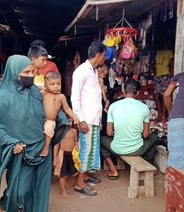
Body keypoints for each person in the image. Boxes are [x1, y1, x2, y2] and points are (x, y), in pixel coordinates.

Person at [0, 55, 70, 212]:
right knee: (20, 189)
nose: (30, 76)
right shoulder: (3, 96)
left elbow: (49, 110)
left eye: (32, 72)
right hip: (21, 150)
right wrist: (11, 143)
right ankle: (8, 204)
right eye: (25, 72)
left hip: (42, 147)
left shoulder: (35, 92)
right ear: (13, 72)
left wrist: (61, 118)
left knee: (38, 186)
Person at [101, 79, 159, 179]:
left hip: (117, 148)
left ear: (124, 91)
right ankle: (147, 164)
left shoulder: (113, 106)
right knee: (154, 137)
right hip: (138, 149)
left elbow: (109, 133)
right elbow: (145, 135)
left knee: (100, 139)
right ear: (138, 92)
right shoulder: (144, 107)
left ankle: (112, 169)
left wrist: (120, 132)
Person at [71, 40, 106, 196]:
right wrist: (80, 120)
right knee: (85, 151)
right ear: (98, 55)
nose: (105, 58)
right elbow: (75, 98)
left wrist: (98, 120)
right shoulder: (81, 71)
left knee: (91, 149)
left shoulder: (93, 71)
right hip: (86, 119)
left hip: (93, 119)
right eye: (104, 55)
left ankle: (84, 176)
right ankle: (79, 184)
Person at [41, 71, 80, 156]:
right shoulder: (44, 94)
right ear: (46, 85)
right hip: (41, 120)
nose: (56, 86)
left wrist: (74, 117)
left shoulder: (61, 97)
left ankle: (46, 148)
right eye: (52, 84)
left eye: (58, 84)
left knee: (49, 128)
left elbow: (66, 108)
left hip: (51, 121)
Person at [53, 125, 78, 199]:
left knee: (73, 172)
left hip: (72, 154)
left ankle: (65, 181)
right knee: (62, 174)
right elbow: (56, 145)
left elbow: (76, 140)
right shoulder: (60, 132)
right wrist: (55, 158)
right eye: (67, 120)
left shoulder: (74, 131)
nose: (69, 122)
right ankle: (63, 191)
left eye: (70, 120)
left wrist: (77, 146)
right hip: (62, 154)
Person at [154, 41, 174, 122]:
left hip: (166, 74)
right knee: (156, 96)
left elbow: (172, 63)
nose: (165, 44)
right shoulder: (158, 52)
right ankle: (160, 114)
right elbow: (155, 64)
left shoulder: (170, 52)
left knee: (164, 95)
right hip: (158, 75)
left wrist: (172, 74)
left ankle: (163, 116)